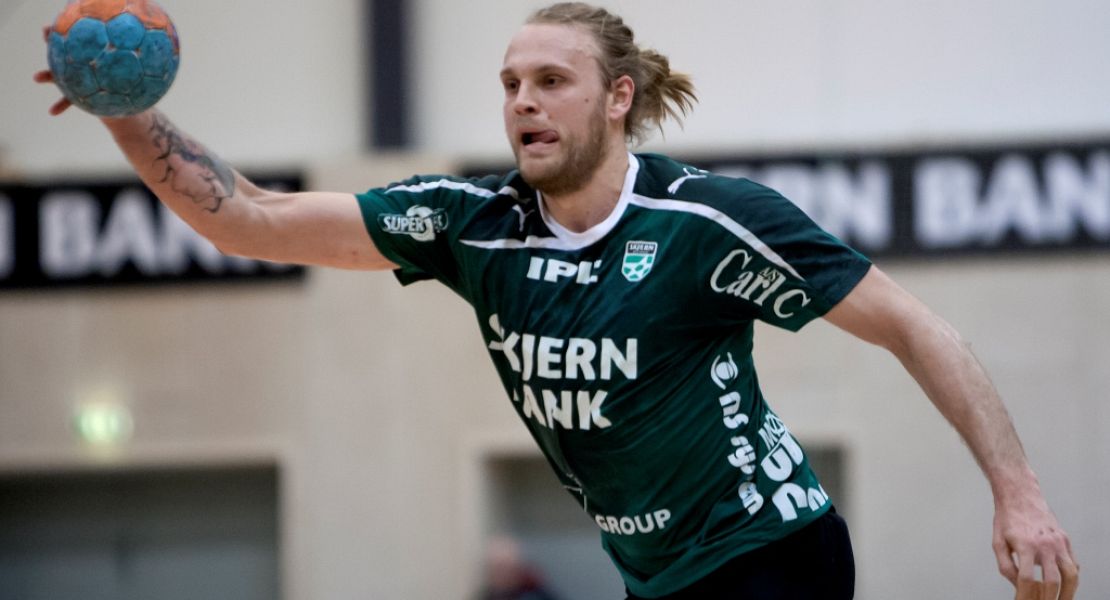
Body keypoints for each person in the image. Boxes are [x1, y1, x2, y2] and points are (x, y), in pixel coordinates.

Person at [36, 3, 1079, 598]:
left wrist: (1019, 493)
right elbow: (248, 218)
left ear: (618, 98)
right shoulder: (471, 224)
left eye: (550, 80)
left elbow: (912, 325)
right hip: (655, 575)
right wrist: (124, 112)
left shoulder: (705, 222)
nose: (523, 102)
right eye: (509, 83)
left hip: (769, 553)